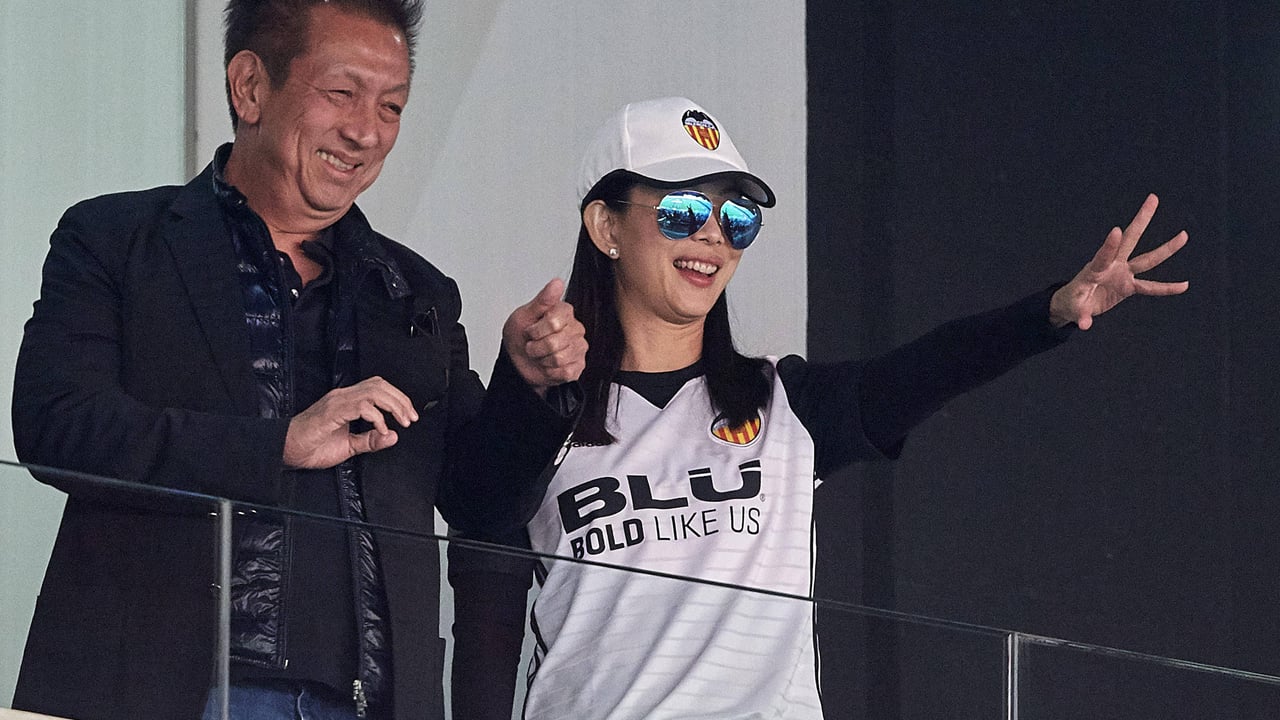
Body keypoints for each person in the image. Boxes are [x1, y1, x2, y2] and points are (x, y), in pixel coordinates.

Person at [447, 96, 1189, 719]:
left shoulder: (784, 405)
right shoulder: (545, 415)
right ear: (606, 226)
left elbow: (929, 369)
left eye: (736, 219)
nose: (712, 235)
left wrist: (1049, 312)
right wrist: (524, 385)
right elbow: (479, 532)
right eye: (682, 209)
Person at [9, 2, 585, 719]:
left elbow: (481, 503)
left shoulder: (414, 292)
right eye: (341, 93)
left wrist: (527, 387)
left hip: (369, 702)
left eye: (392, 106)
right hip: (164, 689)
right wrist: (278, 444)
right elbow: (57, 427)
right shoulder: (118, 240)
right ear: (251, 86)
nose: (367, 131)